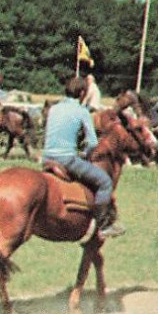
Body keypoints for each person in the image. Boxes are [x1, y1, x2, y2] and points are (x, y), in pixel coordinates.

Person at [42, 76, 123, 239]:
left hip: (47, 158)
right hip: (66, 159)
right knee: (105, 182)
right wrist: (85, 154)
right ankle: (103, 225)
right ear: (81, 93)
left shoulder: (54, 108)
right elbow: (92, 142)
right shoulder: (82, 111)